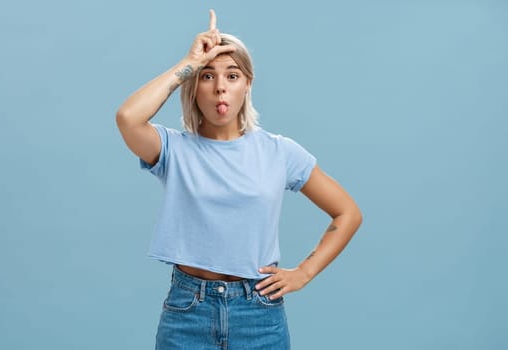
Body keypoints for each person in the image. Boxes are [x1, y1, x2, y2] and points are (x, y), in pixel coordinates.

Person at [115, 9, 362, 350]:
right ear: (194, 86)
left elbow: (347, 212)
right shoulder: (172, 148)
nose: (220, 88)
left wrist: (303, 272)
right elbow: (128, 118)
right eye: (207, 77)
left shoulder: (280, 152)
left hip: (259, 312)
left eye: (232, 76)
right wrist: (189, 62)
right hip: (188, 311)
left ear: (248, 84)